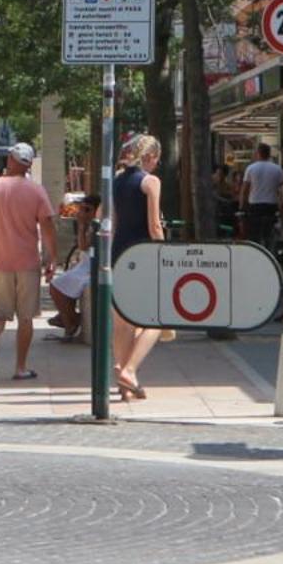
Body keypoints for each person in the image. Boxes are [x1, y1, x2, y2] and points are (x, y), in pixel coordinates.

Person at [0, 141, 55, 382]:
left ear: (10, 161)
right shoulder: (36, 191)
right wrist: (52, 256)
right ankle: (20, 367)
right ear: (28, 164)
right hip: (27, 262)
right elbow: (47, 225)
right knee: (25, 317)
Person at [111, 134, 167, 400]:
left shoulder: (117, 181)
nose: (157, 163)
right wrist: (165, 254)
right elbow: (154, 225)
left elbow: (110, 219)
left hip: (119, 254)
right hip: (143, 255)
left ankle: (124, 386)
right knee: (156, 317)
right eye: (157, 158)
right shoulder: (150, 182)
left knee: (123, 322)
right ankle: (130, 371)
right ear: (150, 156)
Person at [48, 195, 100, 341]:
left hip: (91, 267)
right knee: (58, 285)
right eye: (81, 208)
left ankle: (70, 320)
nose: (83, 212)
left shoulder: (97, 225)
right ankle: (69, 318)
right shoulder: (89, 225)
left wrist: (83, 225)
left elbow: (83, 246)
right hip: (84, 265)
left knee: (58, 286)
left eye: (87, 209)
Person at [239, 142, 283, 255]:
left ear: (258, 153)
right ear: (269, 154)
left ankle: (257, 254)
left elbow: (244, 190)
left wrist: (241, 207)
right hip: (271, 205)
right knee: (270, 233)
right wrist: (282, 206)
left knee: (255, 234)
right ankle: (270, 253)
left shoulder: (251, 168)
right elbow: (282, 191)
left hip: (255, 206)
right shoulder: (277, 169)